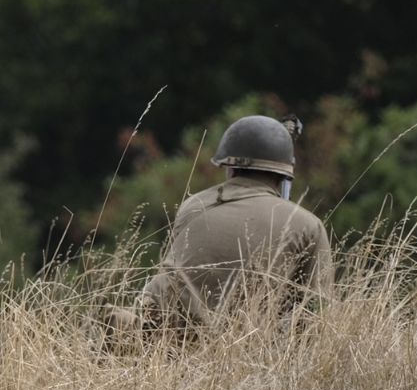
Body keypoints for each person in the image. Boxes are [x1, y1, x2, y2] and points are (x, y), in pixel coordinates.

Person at [128, 114, 332, 338]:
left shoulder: (193, 205)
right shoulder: (308, 225)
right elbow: (316, 317)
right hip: (245, 348)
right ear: (284, 175)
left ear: (229, 167)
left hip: (165, 341)